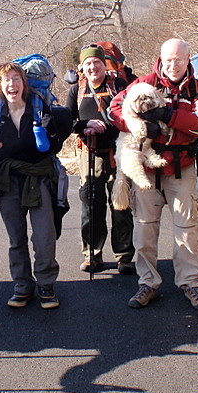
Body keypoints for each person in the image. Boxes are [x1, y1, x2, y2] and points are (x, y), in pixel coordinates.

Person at [109, 38, 198, 311]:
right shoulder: (144, 83)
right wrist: (139, 127)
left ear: (188, 59)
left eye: (179, 60)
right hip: (146, 166)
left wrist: (169, 116)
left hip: (181, 167)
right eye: (168, 59)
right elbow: (115, 110)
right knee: (144, 229)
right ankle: (148, 282)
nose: (173, 65)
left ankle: (191, 283)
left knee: (186, 229)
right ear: (160, 58)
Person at [0, 61, 63, 310]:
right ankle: (22, 285)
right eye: (6, 79)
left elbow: (54, 147)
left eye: (16, 78)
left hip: (38, 176)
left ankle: (46, 283)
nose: (12, 84)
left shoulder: (39, 108)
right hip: (8, 179)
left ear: (24, 83)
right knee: (16, 237)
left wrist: (48, 134)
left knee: (44, 235)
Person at [65, 44, 134, 274]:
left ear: (104, 64)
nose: (93, 66)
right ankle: (92, 255)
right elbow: (68, 122)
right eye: (88, 63)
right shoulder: (76, 91)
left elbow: (133, 116)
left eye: (97, 62)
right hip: (89, 153)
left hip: (118, 152)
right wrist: (86, 125)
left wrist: (110, 127)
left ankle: (124, 255)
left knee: (120, 204)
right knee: (90, 206)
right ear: (82, 68)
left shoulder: (120, 86)